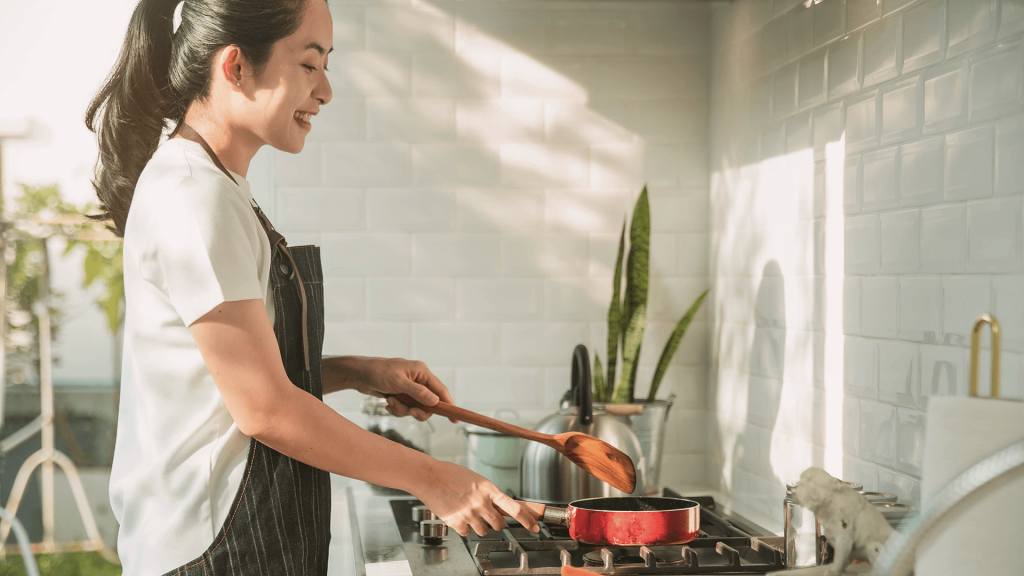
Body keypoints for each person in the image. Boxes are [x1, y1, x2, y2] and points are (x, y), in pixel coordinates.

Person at [85, 0, 538, 574]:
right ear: (236, 67)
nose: (325, 91)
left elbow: (225, 381)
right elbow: (264, 409)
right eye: (309, 64)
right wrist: (435, 480)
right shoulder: (193, 197)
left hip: (230, 540)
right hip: (211, 550)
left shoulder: (216, 188)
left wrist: (358, 372)